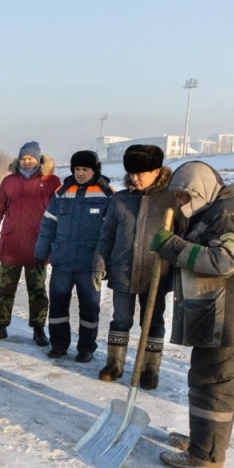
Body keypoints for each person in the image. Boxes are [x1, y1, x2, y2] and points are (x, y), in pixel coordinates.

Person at [152, 161, 234, 468]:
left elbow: (223, 261)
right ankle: (203, 441)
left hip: (232, 319)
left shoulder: (230, 214)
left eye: (182, 197)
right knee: (212, 381)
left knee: (213, 384)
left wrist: (173, 246)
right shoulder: (217, 211)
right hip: (225, 315)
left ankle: (206, 456)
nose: (179, 204)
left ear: (199, 191)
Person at [93, 144, 177, 389]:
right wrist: (99, 264)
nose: (136, 178)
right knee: (120, 319)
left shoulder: (172, 199)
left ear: (157, 171)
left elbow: (182, 237)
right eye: (132, 173)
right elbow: (106, 235)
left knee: (153, 322)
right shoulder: (120, 199)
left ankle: (150, 369)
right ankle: (114, 363)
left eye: (142, 173)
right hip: (123, 270)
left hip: (156, 273)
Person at [34, 150, 114, 362]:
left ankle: (86, 348)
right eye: (77, 169)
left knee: (90, 308)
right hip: (62, 262)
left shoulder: (107, 195)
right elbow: (48, 225)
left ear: (94, 170)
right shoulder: (61, 193)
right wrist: (41, 252)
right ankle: (59, 345)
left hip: (90, 264)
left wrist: (107, 262)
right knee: (58, 306)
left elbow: (112, 233)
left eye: (85, 170)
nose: (80, 173)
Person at [0, 141, 60, 345]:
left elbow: (60, 214)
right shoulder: (9, 181)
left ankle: (38, 329)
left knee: (37, 289)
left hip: (38, 246)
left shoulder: (51, 181)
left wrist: (56, 243)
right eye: (23, 158)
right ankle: (1, 326)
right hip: (11, 244)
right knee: (6, 288)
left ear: (39, 159)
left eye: (31, 158)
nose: (26, 162)